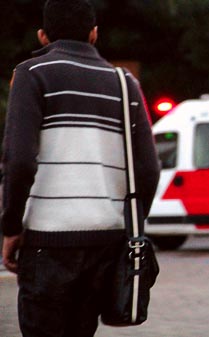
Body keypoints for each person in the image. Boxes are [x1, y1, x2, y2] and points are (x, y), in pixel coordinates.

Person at [1, 1, 160, 336]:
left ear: (43, 36)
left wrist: (11, 225)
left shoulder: (32, 74)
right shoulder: (123, 82)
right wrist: (130, 225)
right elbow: (148, 170)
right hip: (106, 242)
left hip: (47, 240)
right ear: (94, 33)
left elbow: (18, 161)